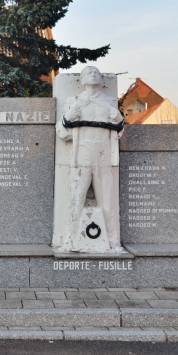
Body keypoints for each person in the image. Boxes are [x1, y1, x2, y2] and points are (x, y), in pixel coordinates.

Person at [57, 66, 123, 251]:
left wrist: (118, 119)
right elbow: (62, 132)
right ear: (82, 80)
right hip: (82, 154)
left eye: (97, 73)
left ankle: (113, 241)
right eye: (89, 73)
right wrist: (68, 117)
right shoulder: (74, 101)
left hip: (103, 154)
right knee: (76, 197)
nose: (93, 75)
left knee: (107, 199)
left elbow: (119, 133)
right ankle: (68, 241)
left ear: (101, 80)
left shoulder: (109, 102)